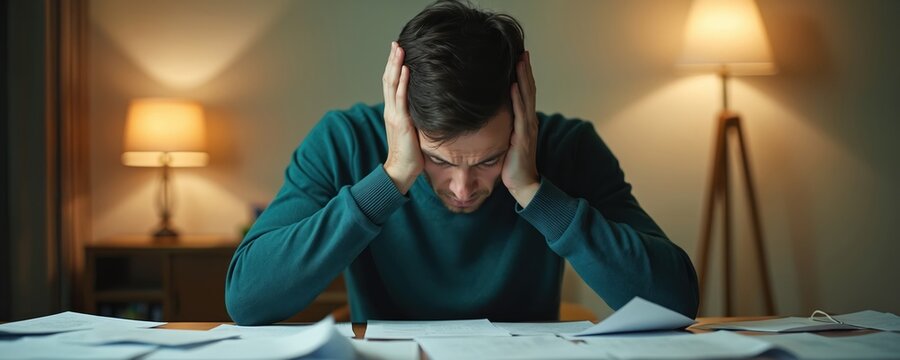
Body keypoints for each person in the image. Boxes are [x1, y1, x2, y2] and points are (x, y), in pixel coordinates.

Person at [225, 0, 699, 325]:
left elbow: (676, 303)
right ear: (400, 117)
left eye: (489, 160)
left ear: (522, 116)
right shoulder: (343, 141)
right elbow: (247, 299)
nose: (462, 187)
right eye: (436, 159)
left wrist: (534, 191)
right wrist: (390, 179)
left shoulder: (570, 147)